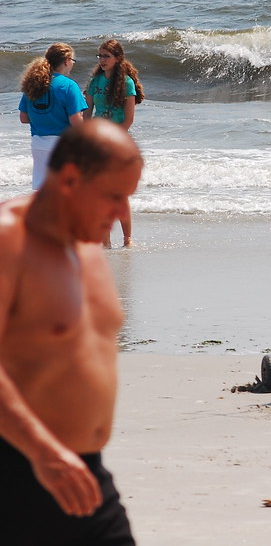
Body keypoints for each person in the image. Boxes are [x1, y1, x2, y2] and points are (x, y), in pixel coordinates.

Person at [0, 119, 143, 545]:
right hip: (18, 468)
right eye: (113, 197)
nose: (121, 214)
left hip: (83, 473)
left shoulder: (87, 244)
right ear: (68, 180)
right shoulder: (10, 241)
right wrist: (44, 452)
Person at [85, 39, 144, 248]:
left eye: (106, 56)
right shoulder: (96, 81)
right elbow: (87, 112)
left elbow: (128, 119)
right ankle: (106, 240)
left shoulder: (126, 82)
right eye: (100, 56)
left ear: (118, 58)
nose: (102, 60)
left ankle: (127, 238)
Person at [18, 43, 89, 190]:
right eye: (72, 61)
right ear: (66, 61)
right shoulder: (69, 85)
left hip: (38, 143)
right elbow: (76, 121)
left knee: (43, 190)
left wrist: (45, 117)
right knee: (67, 190)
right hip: (63, 144)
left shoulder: (33, 83)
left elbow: (23, 118)